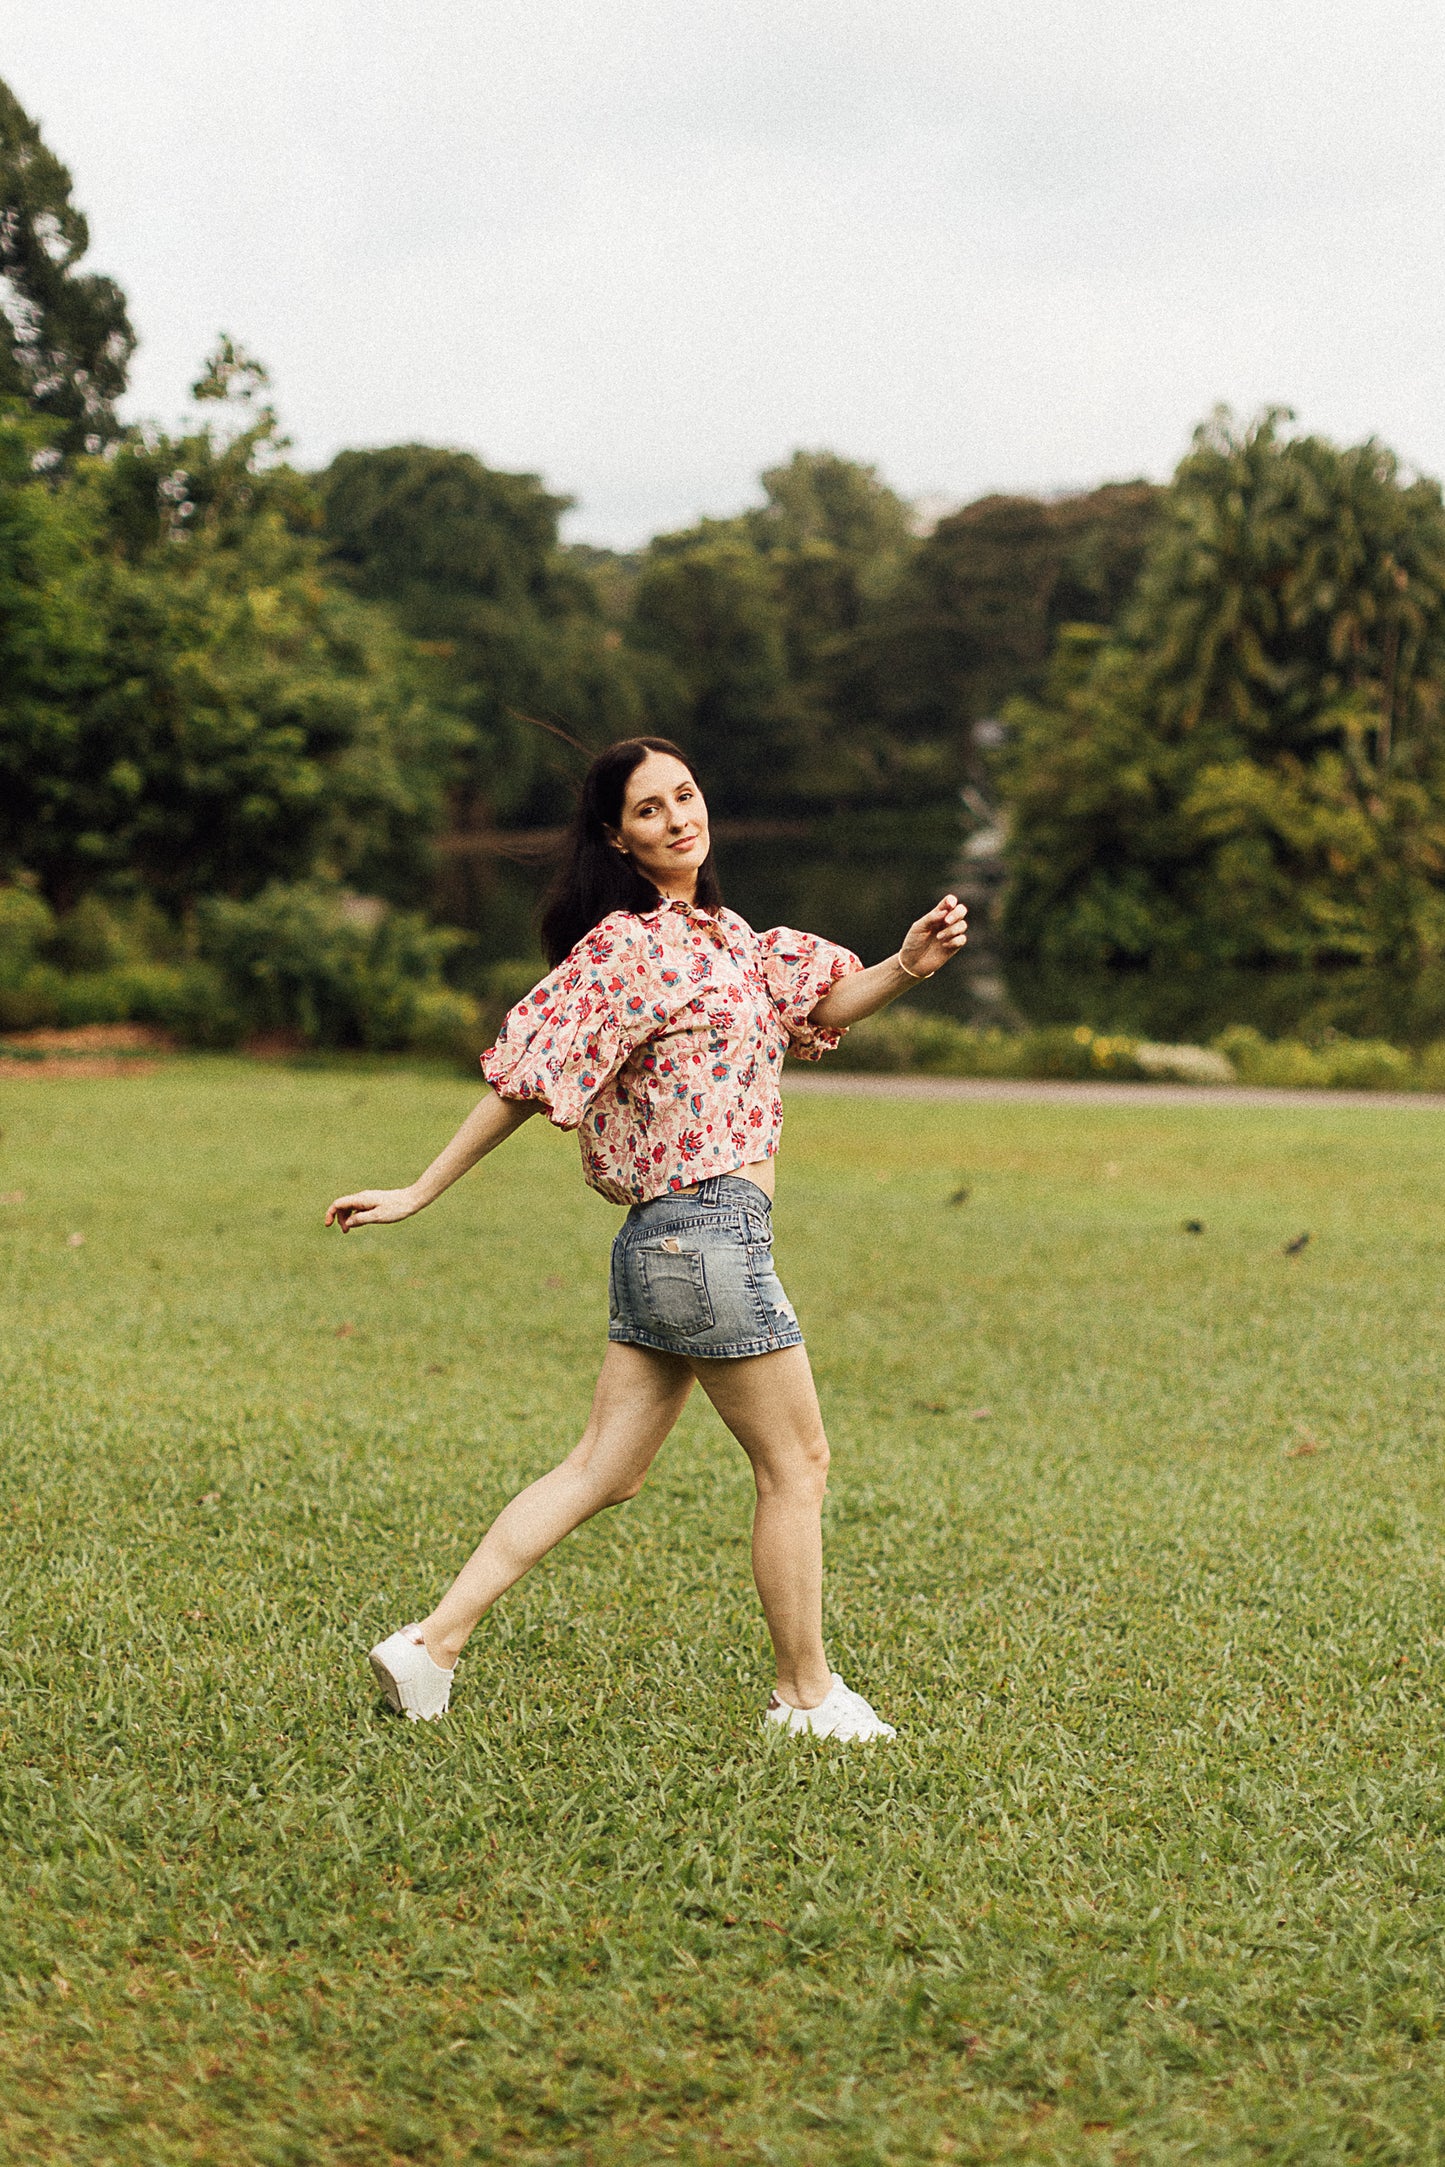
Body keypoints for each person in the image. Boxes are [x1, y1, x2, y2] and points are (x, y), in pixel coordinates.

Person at [326, 737, 967, 1740]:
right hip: (706, 1235)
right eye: (647, 809)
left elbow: (814, 1004)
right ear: (617, 839)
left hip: (664, 1244)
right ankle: (805, 1696)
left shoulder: (731, 941)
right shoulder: (627, 949)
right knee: (794, 1465)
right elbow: (524, 1080)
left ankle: (429, 1644)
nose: (676, 818)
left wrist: (904, 965)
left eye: (684, 794)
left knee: (604, 1469)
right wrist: (418, 1190)